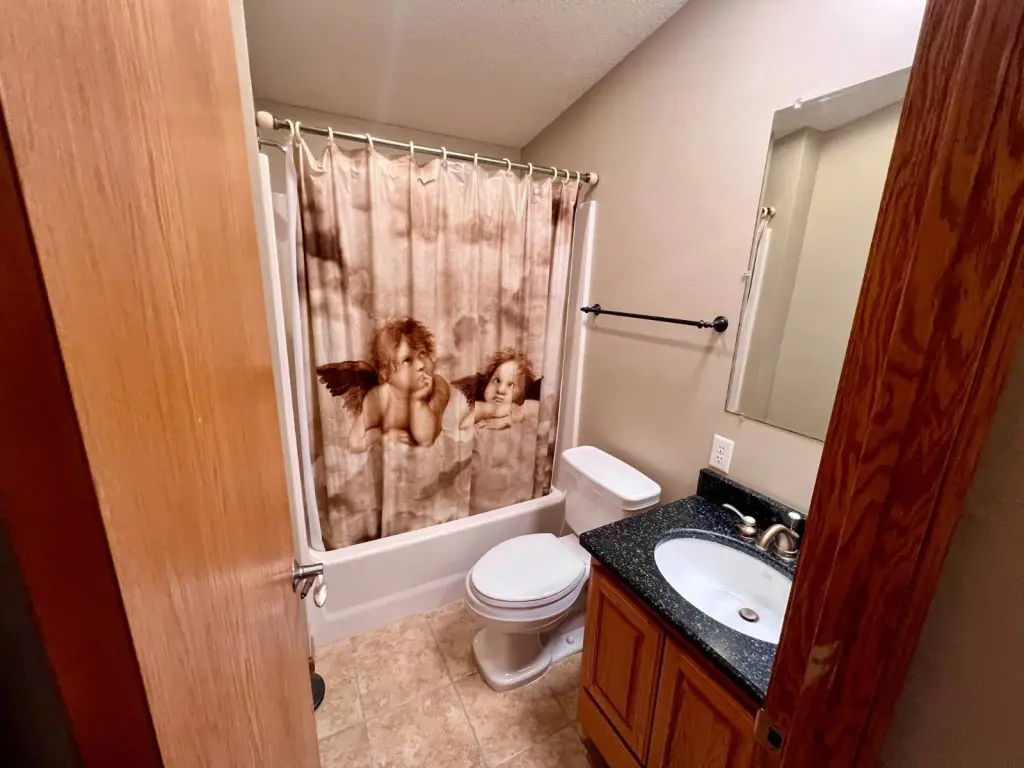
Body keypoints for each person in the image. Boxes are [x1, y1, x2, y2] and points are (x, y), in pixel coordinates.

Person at [347, 318, 451, 451]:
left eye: (423, 354)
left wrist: (418, 401)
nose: (421, 365)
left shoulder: (438, 387)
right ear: (387, 375)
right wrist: (381, 435)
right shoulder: (379, 398)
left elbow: (427, 440)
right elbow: (354, 443)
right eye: (407, 360)